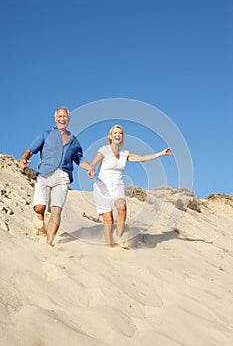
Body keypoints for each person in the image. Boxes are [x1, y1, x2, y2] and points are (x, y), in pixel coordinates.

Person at [19, 106, 95, 245]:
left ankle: (49, 243)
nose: (62, 119)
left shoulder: (73, 140)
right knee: (39, 207)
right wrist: (24, 158)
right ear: (55, 119)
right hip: (45, 175)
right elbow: (31, 150)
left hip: (63, 177)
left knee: (56, 210)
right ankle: (40, 218)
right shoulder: (46, 135)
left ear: (69, 119)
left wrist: (89, 168)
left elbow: (79, 159)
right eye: (59, 116)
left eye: (64, 116)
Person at [88, 124, 172, 249]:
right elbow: (95, 161)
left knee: (122, 208)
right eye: (115, 133)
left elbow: (142, 158)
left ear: (122, 137)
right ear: (110, 136)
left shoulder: (124, 153)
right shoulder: (104, 150)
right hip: (103, 185)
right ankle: (109, 246)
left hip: (117, 184)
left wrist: (161, 153)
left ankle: (120, 238)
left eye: (120, 133)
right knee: (109, 220)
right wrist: (91, 169)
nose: (118, 135)